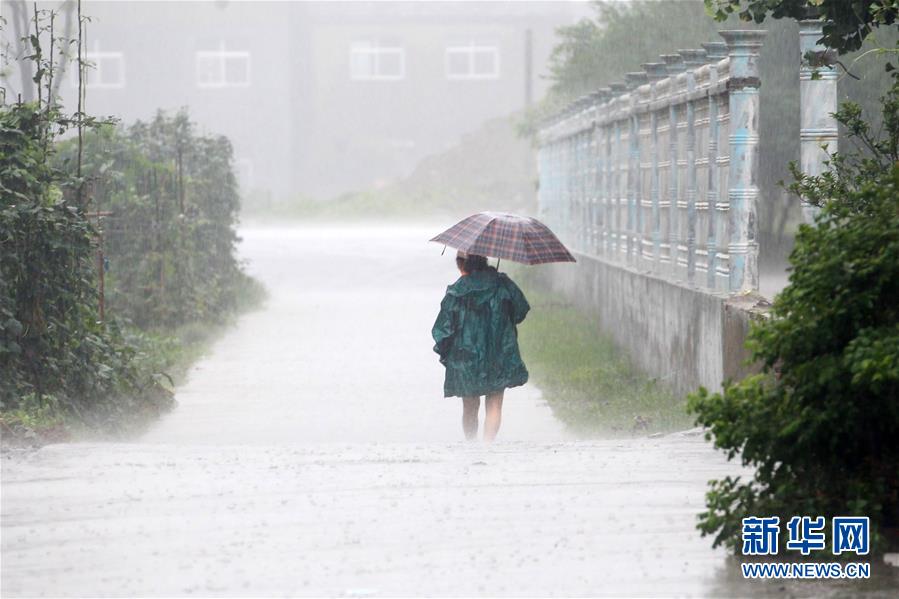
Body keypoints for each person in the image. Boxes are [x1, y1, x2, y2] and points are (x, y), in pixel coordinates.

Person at [432, 250, 530, 441]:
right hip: (498, 352)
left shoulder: (456, 291)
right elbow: (520, 311)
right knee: (494, 405)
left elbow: (442, 330)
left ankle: (471, 446)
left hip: (466, 356)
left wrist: (449, 355)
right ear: (485, 261)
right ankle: (488, 447)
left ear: (462, 265)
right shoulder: (502, 284)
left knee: (469, 407)